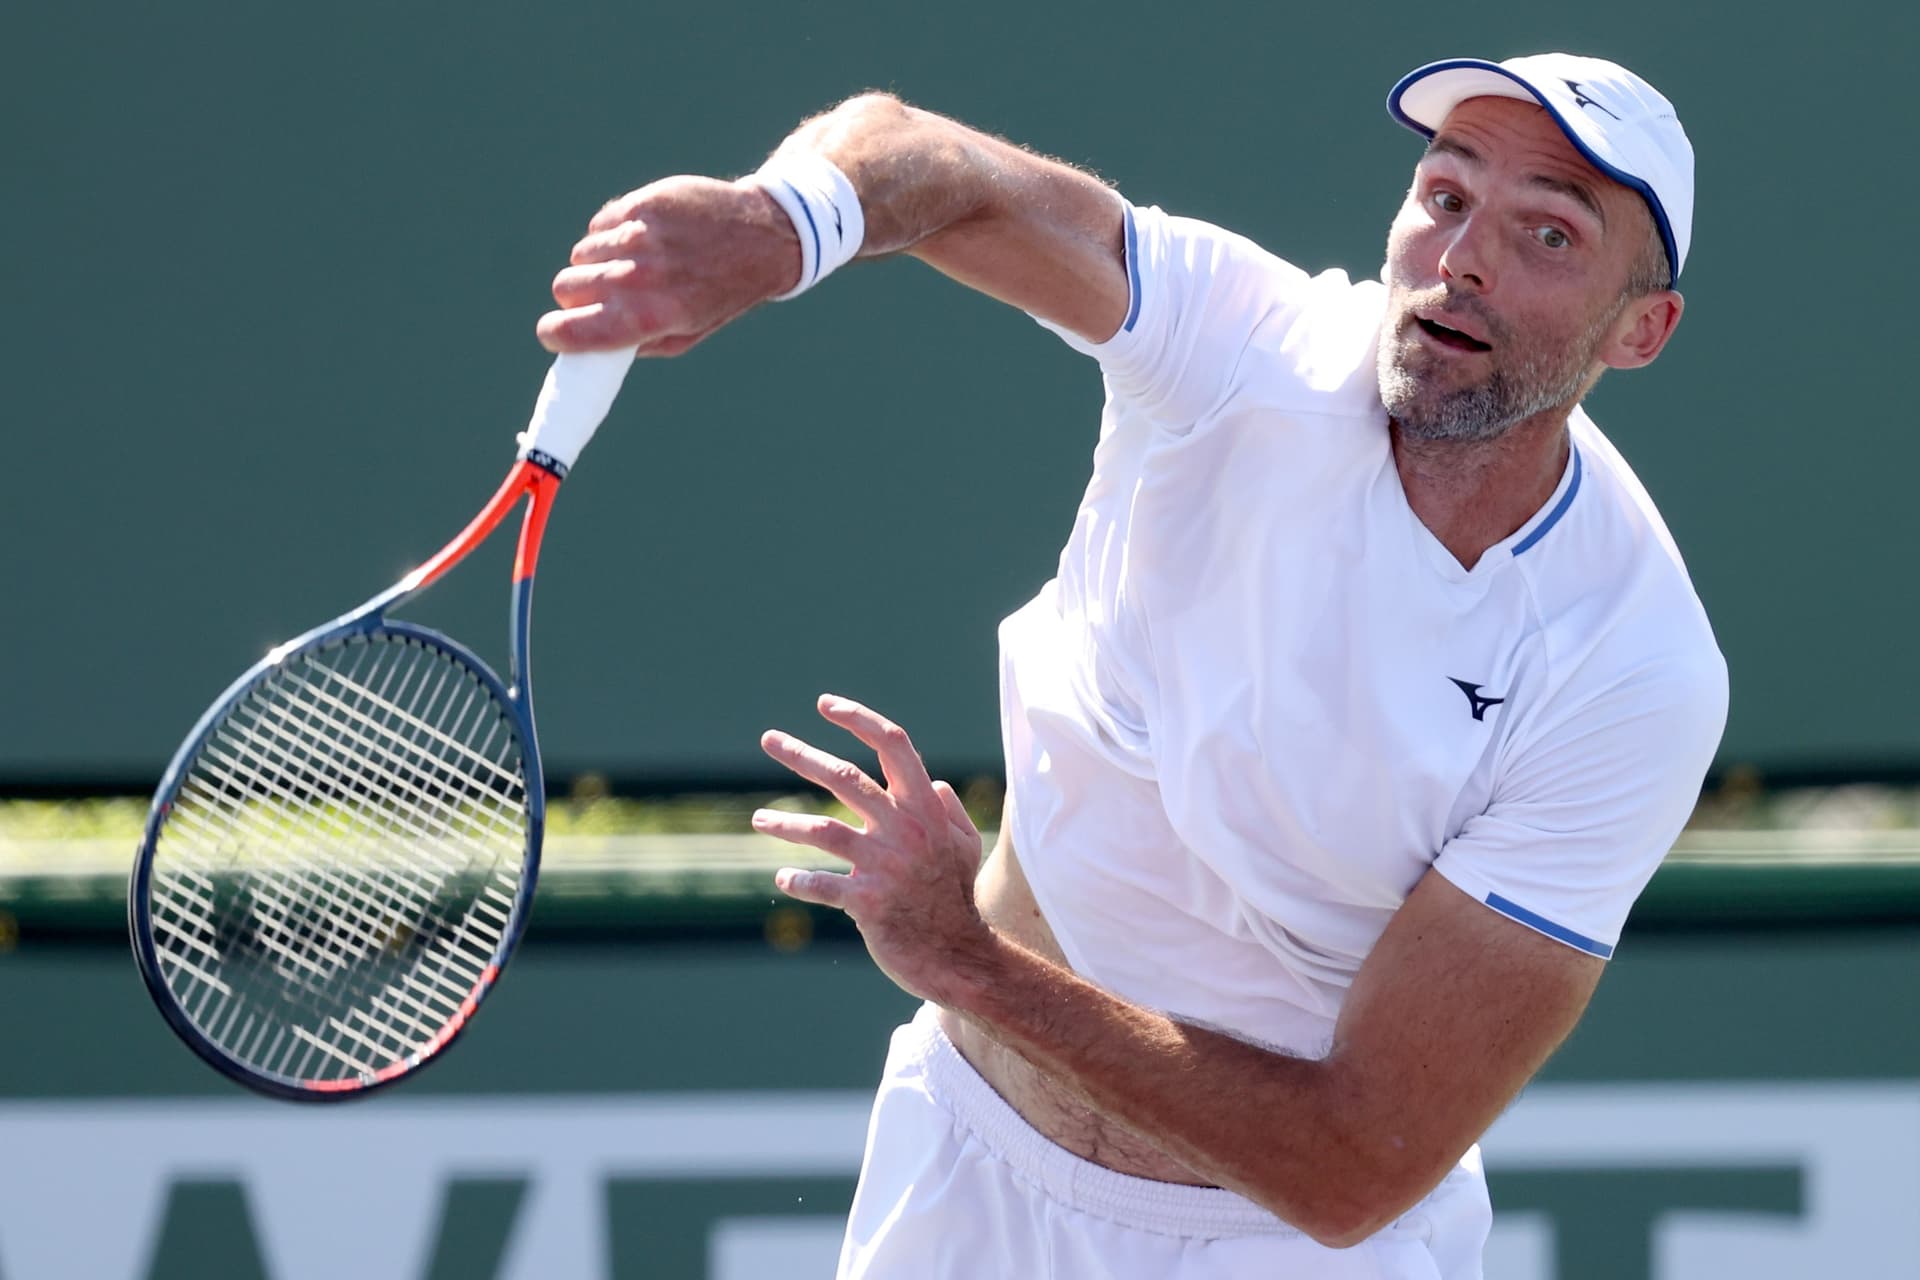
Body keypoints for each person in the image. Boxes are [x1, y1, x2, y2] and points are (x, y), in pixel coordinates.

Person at [539, 52, 1728, 1280]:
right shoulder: (1244, 344)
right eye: (1444, 195)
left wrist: (971, 962)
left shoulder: (1629, 667)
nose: (1464, 256)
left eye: (1547, 233)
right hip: (961, 1171)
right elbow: (940, 165)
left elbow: (1352, 1161)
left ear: (1640, 329)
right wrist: (778, 222)